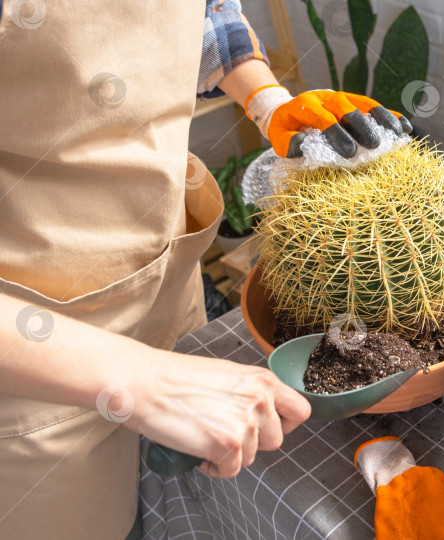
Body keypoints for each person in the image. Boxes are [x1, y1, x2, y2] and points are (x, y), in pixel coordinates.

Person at [0, 0, 408, 538]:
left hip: (163, 282)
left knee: (191, 506)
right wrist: (143, 378)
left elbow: (201, 14)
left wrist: (270, 103)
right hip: (36, 368)